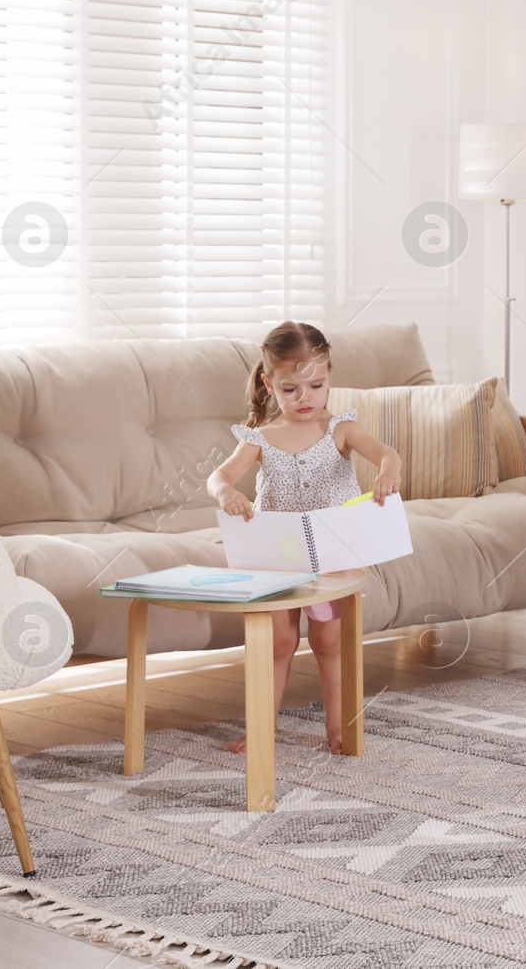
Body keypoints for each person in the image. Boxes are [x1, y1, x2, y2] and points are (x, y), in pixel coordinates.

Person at [207, 321, 402, 754]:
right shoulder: (260, 438)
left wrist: (388, 472)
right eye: (291, 389)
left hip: (332, 555)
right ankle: (262, 729)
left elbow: (386, 453)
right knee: (277, 643)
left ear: (330, 376)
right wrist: (226, 493)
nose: (306, 398)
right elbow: (219, 476)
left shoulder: (341, 430)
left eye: (316, 385)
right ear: (268, 383)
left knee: (330, 641)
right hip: (280, 557)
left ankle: (338, 727)